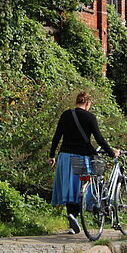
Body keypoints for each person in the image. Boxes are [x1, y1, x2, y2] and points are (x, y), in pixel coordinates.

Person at [49, 92, 118, 233]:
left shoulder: (66, 115)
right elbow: (99, 139)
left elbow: (57, 136)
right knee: (83, 189)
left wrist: (52, 155)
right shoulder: (90, 117)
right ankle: (75, 216)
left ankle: (72, 219)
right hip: (81, 158)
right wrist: (112, 153)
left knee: (69, 189)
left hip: (65, 157)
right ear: (88, 103)